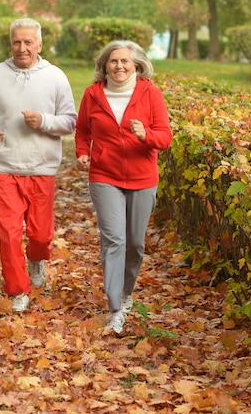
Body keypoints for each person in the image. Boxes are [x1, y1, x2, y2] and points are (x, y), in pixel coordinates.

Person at [0, 18, 77, 312]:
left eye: (28, 42)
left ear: (40, 45)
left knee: (40, 235)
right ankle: (18, 289)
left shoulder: (55, 77)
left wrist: (43, 121)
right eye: (17, 42)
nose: (22, 48)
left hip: (42, 167)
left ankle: (37, 259)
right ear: (10, 43)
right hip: (5, 164)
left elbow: (70, 121)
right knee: (9, 232)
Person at [75, 39, 172, 335]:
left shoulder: (150, 93)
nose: (118, 66)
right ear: (104, 66)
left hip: (143, 177)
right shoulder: (93, 95)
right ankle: (115, 308)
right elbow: (82, 129)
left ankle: (127, 293)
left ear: (137, 65)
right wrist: (82, 152)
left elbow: (165, 137)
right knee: (114, 239)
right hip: (104, 175)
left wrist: (146, 135)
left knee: (134, 243)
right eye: (113, 61)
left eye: (124, 61)